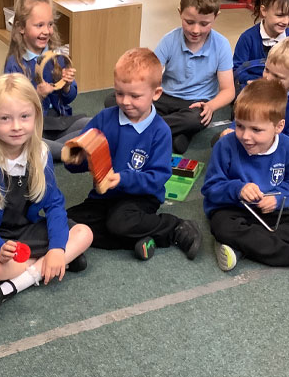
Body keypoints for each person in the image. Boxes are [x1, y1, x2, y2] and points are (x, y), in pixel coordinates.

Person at [0, 73, 93, 314]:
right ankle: (55, 266)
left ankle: (19, 282)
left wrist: (56, 249)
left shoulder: (40, 154)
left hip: (26, 231)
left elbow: (54, 206)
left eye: (24, 117)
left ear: (36, 117)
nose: (16, 126)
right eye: (5, 119)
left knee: (84, 233)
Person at [66, 48, 201, 261]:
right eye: (119, 93)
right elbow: (81, 158)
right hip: (104, 196)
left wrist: (122, 178)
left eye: (135, 96)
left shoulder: (160, 131)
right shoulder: (104, 119)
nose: (125, 102)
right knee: (67, 221)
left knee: (119, 222)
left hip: (140, 198)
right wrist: (77, 159)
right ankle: (136, 240)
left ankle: (173, 227)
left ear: (156, 94)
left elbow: (157, 178)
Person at [202, 79, 289, 277]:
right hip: (231, 210)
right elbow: (210, 188)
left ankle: (244, 246)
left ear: (278, 126)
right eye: (240, 125)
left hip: (270, 212)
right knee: (222, 227)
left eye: (256, 130)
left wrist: (277, 198)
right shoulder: (226, 145)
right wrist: (237, 189)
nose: (246, 136)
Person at [3, 0, 89, 160]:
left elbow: (68, 98)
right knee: (28, 142)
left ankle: (68, 146)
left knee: (91, 123)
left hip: (59, 121)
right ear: (21, 27)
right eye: (39, 25)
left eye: (50, 24)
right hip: (33, 128)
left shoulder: (56, 57)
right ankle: (69, 149)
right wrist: (38, 95)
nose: (46, 31)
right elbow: (14, 108)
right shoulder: (15, 64)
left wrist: (66, 86)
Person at [153, 0, 235, 153]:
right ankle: (178, 135)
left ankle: (147, 129)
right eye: (189, 22)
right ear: (179, 13)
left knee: (196, 119)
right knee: (115, 100)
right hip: (165, 97)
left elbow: (228, 90)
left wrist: (211, 106)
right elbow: (150, 75)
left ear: (216, 17)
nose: (196, 30)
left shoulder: (221, 45)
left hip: (195, 105)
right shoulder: (169, 40)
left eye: (204, 24)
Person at [218, 36, 289, 152]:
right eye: (267, 70)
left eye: (277, 77)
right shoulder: (259, 88)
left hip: (284, 146)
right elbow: (243, 115)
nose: (268, 78)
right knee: (221, 141)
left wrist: (265, 147)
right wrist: (233, 130)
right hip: (254, 136)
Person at [233, 0, 289, 89]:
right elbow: (236, 70)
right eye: (280, 15)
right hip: (254, 86)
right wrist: (255, 82)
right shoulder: (247, 38)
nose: (286, 21)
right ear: (264, 11)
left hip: (281, 87)